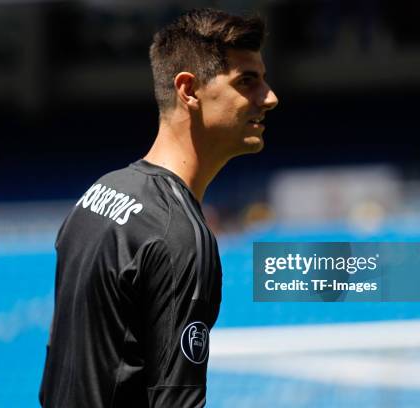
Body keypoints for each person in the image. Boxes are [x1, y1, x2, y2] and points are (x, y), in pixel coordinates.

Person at [39, 8, 278, 408]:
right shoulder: (179, 235)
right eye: (247, 82)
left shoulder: (99, 194)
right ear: (189, 90)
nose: (270, 97)